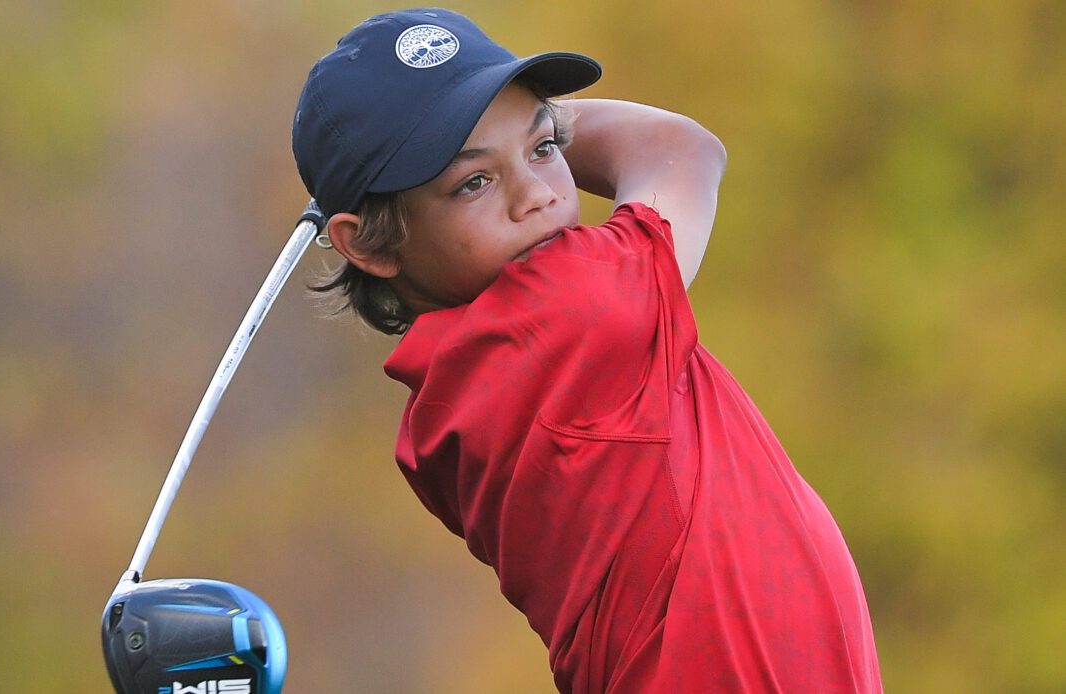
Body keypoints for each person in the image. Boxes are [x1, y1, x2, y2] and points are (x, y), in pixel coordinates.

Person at [291, 8, 882, 693]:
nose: (538, 195)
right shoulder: (570, 313)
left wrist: (494, 127)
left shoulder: (459, 386)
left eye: (545, 151)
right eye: (473, 183)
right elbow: (681, 148)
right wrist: (536, 121)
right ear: (368, 243)